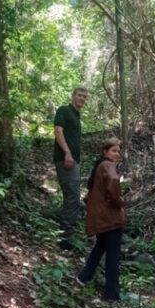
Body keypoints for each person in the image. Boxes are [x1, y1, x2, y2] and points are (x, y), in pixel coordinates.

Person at [76, 138, 126, 301]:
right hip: (109, 218)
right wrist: (119, 202)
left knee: (100, 247)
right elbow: (112, 181)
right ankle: (111, 294)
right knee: (112, 255)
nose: (117, 154)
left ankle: (84, 277)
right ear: (105, 152)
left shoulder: (99, 165)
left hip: (101, 216)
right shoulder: (107, 165)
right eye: (113, 151)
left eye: (118, 151)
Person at [54, 87, 88, 250]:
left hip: (74, 161)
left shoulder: (76, 115)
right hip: (66, 160)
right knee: (73, 197)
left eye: (84, 97)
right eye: (80, 95)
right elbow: (58, 131)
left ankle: (65, 234)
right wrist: (67, 153)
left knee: (72, 196)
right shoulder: (64, 110)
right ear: (73, 96)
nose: (82, 98)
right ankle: (65, 239)